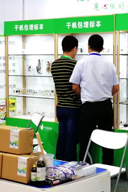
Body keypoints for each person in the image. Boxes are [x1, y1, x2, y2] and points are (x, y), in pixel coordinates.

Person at [70, 34, 119, 165]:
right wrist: (104, 93)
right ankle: (108, 169)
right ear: (102, 48)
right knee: (107, 142)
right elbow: (116, 88)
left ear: (88, 47)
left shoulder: (81, 63)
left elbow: (74, 86)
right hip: (105, 106)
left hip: (88, 107)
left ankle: (85, 169)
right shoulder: (109, 64)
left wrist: (85, 94)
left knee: (85, 141)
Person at [51, 36, 82, 162]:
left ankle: (58, 163)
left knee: (62, 137)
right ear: (74, 48)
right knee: (71, 140)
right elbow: (76, 87)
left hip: (60, 107)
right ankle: (70, 166)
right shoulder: (75, 65)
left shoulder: (54, 64)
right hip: (73, 107)